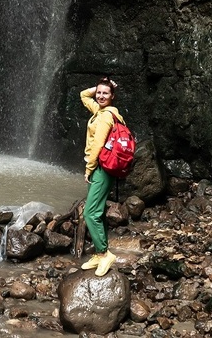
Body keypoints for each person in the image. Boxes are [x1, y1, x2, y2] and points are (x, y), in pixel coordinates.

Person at [80, 76, 122, 276]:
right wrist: (102, 85)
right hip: (100, 167)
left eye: (106, 93)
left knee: (89, 213)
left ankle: (105, 254)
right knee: (97, 211)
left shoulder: (105, 117)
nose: (100, 96)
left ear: (112, 96)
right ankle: (99, 252)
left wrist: (89, 167)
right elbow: (83, 95)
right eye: (99, 93)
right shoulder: (100, 111)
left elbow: (98, 144)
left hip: (100, 168)